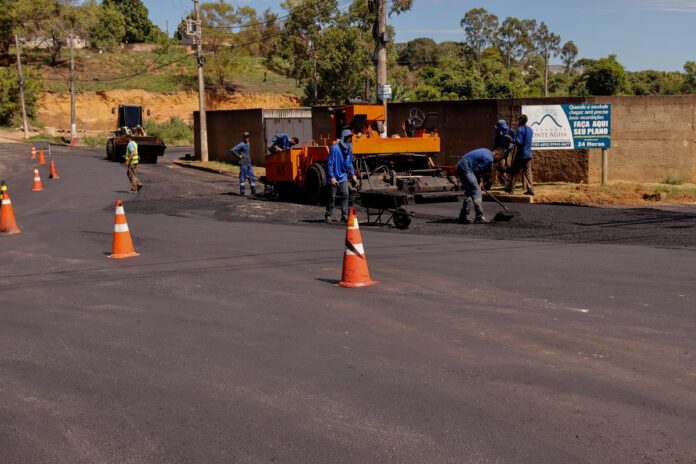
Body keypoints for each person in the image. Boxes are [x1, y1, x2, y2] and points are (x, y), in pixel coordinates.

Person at [456, 147, 505, 224]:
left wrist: (478, 180)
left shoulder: (486, 151)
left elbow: (476, 167)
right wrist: (480, 180)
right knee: (477, 190)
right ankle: (479, 217)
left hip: (460, 166)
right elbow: (477, 169)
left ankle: (463, 216)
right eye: (499, 159)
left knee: (469, 191)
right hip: (467, 168)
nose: (497, 161)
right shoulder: (489, 158)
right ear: (497, 154)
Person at [325, 128, 358, 223]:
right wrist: (332, 177)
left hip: (343, 176)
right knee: (332, 196)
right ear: (343, 138)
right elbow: (330, 163)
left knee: (345, 195)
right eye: (348, 137)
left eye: (350, 137)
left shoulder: (349, 149)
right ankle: (328, 214)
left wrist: (353, 175)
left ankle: (344, 215)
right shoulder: (335, 149)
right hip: (334, 176)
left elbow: (350, 162)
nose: (350, 139)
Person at [506, 114, 535, 195]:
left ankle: (511, 189)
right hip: (529, 154)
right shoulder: (530, 129)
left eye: (519, 120)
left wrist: (511, 138)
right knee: (528, 172)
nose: (518, 121)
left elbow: (519, 142)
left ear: (521, 121)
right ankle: (530, 189)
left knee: (514, 172)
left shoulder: (520, 129)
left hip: (521, 154)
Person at [230, 131, 256, 197]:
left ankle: (253, 192)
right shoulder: (241, 144)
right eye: (245, 137)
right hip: (243, 163)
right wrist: (239, 156)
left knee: (251, 177)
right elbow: (232, 150)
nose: (247, 138)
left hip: (248, 163)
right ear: (243, 137)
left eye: (248, 137)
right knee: (243, 178)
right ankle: (242, 192)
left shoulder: (248, 144)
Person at [493, 119, 515, 184]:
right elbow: (496, 141)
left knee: (508, 165)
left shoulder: (511, 131)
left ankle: (509, 181)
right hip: (501, 151)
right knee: (501, 166)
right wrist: (495, 150)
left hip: (509, 151)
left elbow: (514, 140)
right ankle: (504, 180)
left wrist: (511, 146)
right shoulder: (498, 131)